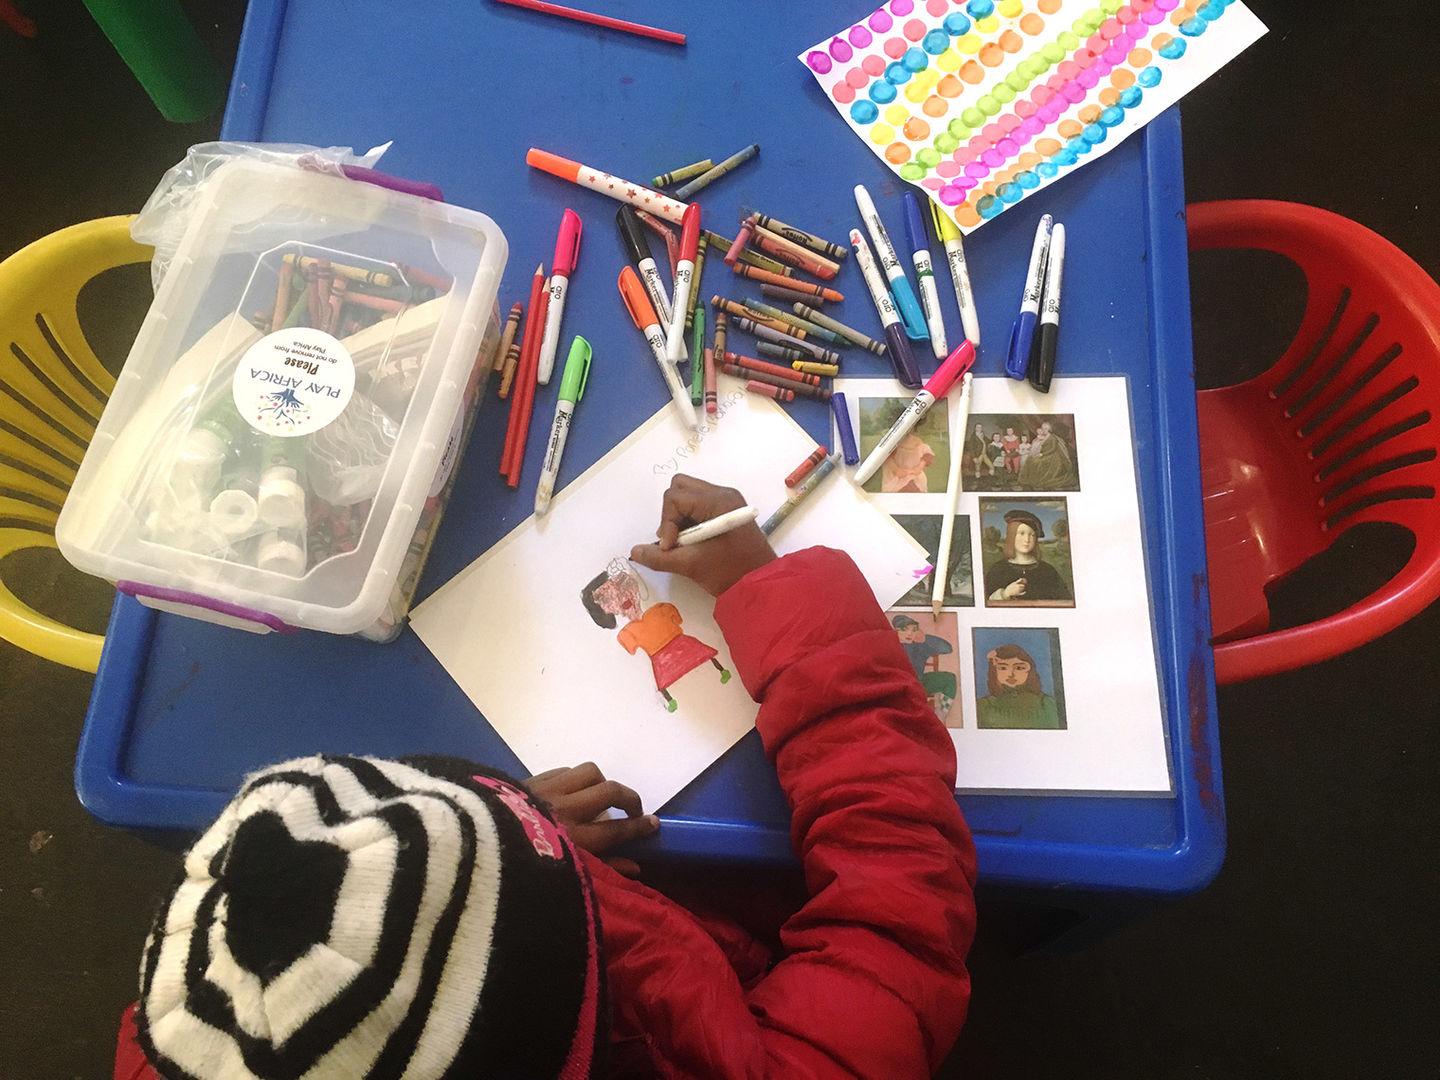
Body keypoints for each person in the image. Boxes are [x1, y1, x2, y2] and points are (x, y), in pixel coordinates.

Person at [113, 475, 978, 1080]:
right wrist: (773, 595)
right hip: (740, 949)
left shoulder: (201, 1034)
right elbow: (896, 895)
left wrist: (512, 832)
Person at [581, 557, 730, 712]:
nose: (620, 597)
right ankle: (671, 699)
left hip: (680, 644)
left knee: (702, 654)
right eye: (606, 598)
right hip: (661, 660)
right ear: (605, 611)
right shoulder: (629, 632)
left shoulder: (659, 610)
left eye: (619, 586)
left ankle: (720, 671)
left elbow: (676, 618)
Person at [984, 507, 1072, 603]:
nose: (1027, 540)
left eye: (1032, 535)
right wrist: (1005, 593)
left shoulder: (1047, 570)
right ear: (1012, 536)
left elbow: (1066, 602)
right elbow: (983, 606)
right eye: (1021, 533)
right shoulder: (998, 569)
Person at [976, 643, 1064, 728]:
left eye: (1019, 668)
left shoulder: (1046, 703)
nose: (1010, 674)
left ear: (1029, 671)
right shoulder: (984, 705)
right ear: (995, 671)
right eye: (1003, 668)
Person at [1017, 420, 1079, 490]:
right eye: (1043, 428)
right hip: (1045, 454)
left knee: (1037, 462)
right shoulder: (1042, 437)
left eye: (1046, 429)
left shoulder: (1052, 437)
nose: (1044, 430)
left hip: (1053, 457)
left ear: (1049, 429)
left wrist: (1042, 454)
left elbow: (1052, 449)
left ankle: (1036, 480)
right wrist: (1038, 453)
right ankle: (1027, 480)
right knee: (1030, 459)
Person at [893, 613, 954, 679]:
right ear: (895, 631)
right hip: (894, 682)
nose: (909, 633)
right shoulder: (889, 644)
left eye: (914, 630)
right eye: (904, 629)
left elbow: (947, 649)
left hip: (916, 682)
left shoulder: (920, 646)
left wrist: (925, 638)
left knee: (949, 678)